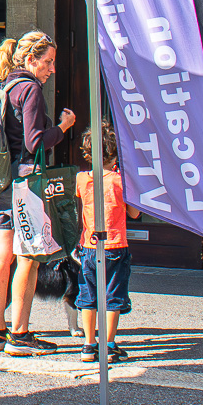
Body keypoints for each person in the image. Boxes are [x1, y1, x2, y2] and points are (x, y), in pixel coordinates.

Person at [0, 29, 77, 357]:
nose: (52, 69)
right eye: (48, 62)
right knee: (29, 258)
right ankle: (20, 335)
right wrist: (62, 129)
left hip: (0, 182)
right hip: (24, 183)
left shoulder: (3, 85)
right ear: (31, 59)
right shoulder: (30, 90)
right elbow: (35, 142)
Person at [75, 118, 134, 363]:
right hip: (116, 245)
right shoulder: (121, 182)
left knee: (88, 294)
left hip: (89, 245)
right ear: (114, 154)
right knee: (113, 295)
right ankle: (108, 345)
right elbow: (133, 213)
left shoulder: (81, 178)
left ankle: (89, 345)